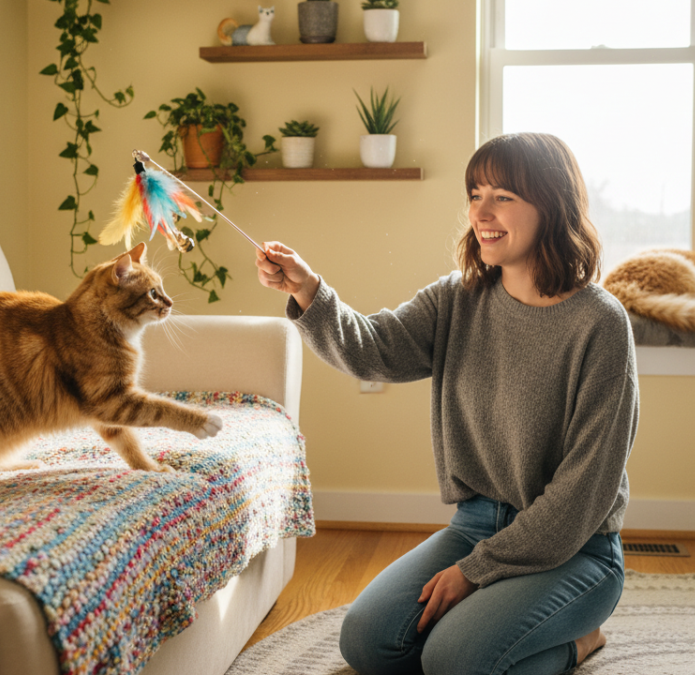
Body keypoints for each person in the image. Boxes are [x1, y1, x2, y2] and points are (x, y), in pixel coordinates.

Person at [254, 132, 638, 675]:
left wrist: (475, 572)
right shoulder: (457, 299)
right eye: (475, 193)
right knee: (367, 643)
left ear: (552, 205)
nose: (480, 211)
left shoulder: (600, 324)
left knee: (454, 661)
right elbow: (372, 350)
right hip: (476, 523)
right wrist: (309, 289)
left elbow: (581, 496)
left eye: (502, 195)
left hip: (575, 549)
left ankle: (579, 642)